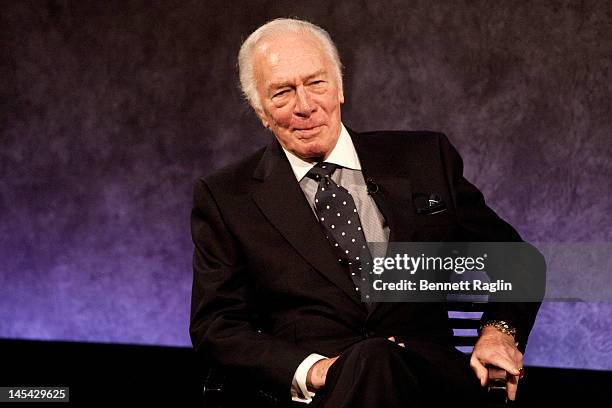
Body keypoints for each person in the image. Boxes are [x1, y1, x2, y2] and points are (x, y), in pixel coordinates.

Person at [190, 18, 542, 407]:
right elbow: (216, 326)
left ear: (339, 87)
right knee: (369, 361)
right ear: (261, 111)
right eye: (282, 93)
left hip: (428, 381)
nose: (305, 105)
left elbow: (519, 261)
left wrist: (499, 332)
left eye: (316, 83)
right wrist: (315, 369)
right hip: (324, 394)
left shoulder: (424, 160)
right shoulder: (228, 196)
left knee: (377, 358)